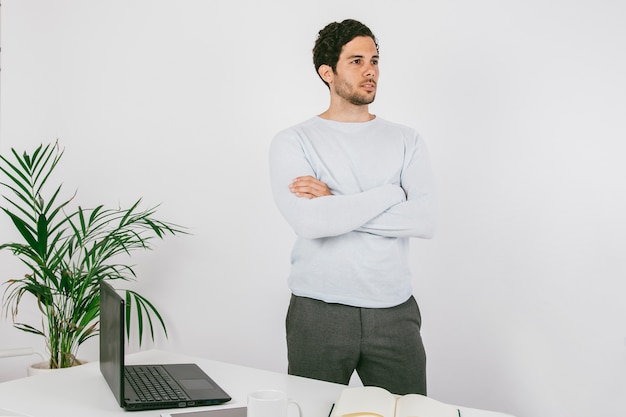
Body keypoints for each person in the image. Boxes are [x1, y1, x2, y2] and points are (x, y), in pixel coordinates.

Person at [268, 19, 436, 396]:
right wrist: (391, 193)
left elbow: (425, 220)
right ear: (327, 72)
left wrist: (335, 203)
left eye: (374, 60)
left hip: (394, 310)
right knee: (312, 411)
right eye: (356, 61)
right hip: (318, 312)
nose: (370, 70)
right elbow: (310, 222)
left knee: (406, 413)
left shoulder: (406, 139)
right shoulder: (293, 141)